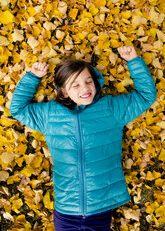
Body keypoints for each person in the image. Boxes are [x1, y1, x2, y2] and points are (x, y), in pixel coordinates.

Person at [9, 46, 157, 231]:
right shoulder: (50, 115)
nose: (85, 88)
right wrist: (32, 78)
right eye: (75, 85)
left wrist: (133, 60)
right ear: (63, 92)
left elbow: (146, 96)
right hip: (66, 209)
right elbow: (17, 109)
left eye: (88, 81)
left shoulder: (110, 109)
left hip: (100, 207)